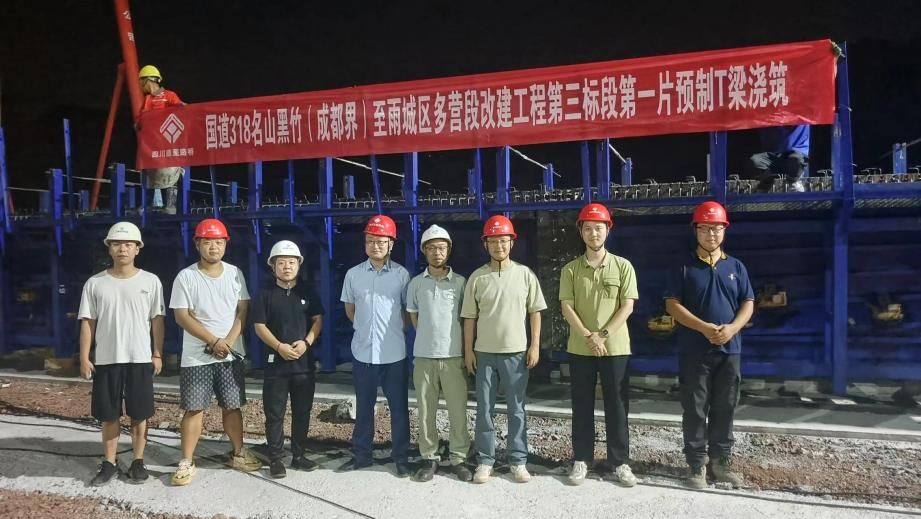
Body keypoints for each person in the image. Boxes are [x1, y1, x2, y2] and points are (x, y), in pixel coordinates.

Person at [664, 201, 754, 489]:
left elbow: (748, 303)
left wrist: (732, 329)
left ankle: (721, 463)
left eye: (716, 228)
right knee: (695, 407)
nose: (711, 234)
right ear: (696, 230)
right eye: (704, 228)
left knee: (726, 406)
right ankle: (696, 465)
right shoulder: (683, 266)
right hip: (695, 350)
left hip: (730, 349)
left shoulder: (736, 267)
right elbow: (672, 305)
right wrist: (704, 328)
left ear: (724, 230)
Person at [169, 218, 261, 486]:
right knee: (194, 408)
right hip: (197, 356)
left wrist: (228, 342)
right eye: (208, 242)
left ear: (225, 245)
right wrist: (212, 340)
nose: (213, 247)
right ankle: (186, 461)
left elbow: (243, 310)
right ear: (197, 244)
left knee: (232, 406)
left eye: (219, 242)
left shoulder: (235, 273)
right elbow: (181, 316)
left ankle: (239, 453)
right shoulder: (186, 277)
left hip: (229, 354)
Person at [461, 215, 547, 484]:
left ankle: (518, 461)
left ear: (512, 243)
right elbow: (469, 318)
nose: (499, 246)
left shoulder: (525, 275)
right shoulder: (477, 277)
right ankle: (485, 460)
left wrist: (534, 345)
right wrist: (468, 351)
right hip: (484, 353)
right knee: (484, 408)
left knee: (516, 408)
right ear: (485, 244)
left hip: (516, 352)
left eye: (504, 241)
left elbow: (535, 312)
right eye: (493, 241)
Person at [78, 222, 165, 486]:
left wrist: (157, 353)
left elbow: (157, 320)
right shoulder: (95, 283)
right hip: (107, 359)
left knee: (140, 413)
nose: (122, 249)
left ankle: (138, 461)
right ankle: (109, 463)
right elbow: (88, 322)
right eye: (117, 244)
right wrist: (84, 357)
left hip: (139, 358)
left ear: (137, 249)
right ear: (109, 248)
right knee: (108, 415)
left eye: (128, 244)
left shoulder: (151, 281)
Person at [559, 203, 639, 487]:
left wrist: (602, 335)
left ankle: (620, 462)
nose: (594, 233)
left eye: (599, 228)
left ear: (608, 230)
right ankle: (582, 459)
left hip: (615, 347)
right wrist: (587, 336)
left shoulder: (623, 266)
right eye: (588, 228)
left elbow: (627, 306)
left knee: (617, 406)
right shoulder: (570, 270)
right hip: (580, 348)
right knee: (581, 405)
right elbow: (566, 306)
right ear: (581, 232)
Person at [338, 215, 413, 478]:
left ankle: (401, 457)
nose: (375, 246)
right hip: (363, 353)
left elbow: (407, 313)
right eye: (370, 241)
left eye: (381, 241)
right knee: (363, 407)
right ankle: (362, 456)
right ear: (365, 244)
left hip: (394, 354)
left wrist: (392, 330)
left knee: (399, 409)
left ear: (391, 244)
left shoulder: (402, 275)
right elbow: (350, 310)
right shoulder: (353, 274)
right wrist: (365, 328)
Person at [252, 240, 324, 478]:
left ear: (299, 265)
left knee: (302, 412)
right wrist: (279, 346)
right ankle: (276, 459)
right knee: (275, 414)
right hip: (277, 365)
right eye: (281, 263)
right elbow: (259, 326)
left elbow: (317, 320)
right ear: (272, 266)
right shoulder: (265, 294)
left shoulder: (308, 292)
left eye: (291, 262)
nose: (286, 267)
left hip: (303, 365)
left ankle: (299, 455)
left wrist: (306, 343)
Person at [406, 225, 472, 482]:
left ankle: (458, 458)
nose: (437, 252)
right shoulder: (416, 284)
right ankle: (429, 457)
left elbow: (467, 319)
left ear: (449, 250)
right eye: (432, 248)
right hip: (424, 356)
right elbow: (414, 317)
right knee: (425, 411)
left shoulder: (460, 283)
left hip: (453, 356)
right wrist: (428, 339)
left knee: (458, 410)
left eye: (442, 248)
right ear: (424, 251)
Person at [137, 64, 184, 214]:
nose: (140, 85)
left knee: (170, 172)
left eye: (141, 81)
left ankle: (170, 206)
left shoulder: (169, 95)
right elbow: (140, 119)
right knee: (150, 174)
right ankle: (147, 205)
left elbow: (181, 110)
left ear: (148, 80)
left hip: (168, 144)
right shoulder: (147, 100)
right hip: (152, 146)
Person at [744, 124, 809, 193]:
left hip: (796, 152)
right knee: (755, 161)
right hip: (772, 155)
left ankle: (794, 182)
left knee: (795, 159)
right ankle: (766, 183)